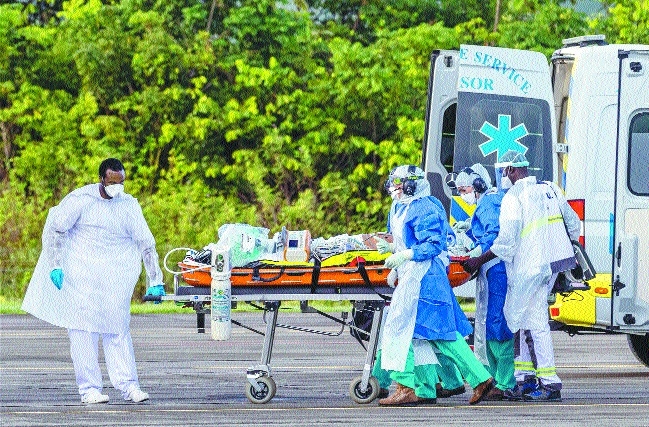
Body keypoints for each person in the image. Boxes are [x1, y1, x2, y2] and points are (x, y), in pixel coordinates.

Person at [22, 158, 166, 404]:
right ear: (101, 179)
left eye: (121, 182)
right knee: (82, 332)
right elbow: (57, 229)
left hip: (114, 280)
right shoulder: (81, 201)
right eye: (112, 182)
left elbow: (146, 242)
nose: (117, 188)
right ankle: (89, 389)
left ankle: (129, 386)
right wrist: (55, 264)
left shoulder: (128, 206)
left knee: (118, 329)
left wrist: (155, 279)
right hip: (82, 278)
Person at [462, 150, 580, 402]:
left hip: (528, 269)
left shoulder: (513, 198)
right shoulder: (550, 188)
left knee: (533, 324)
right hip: (549, 267)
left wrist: (477, 261)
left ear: (509, 171)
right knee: (523, 322)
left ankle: (549, 383)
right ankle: (525, 379)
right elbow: (573, 223)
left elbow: (505, 242)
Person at [376, 165, 494, 406]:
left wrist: (405, 255)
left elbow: (432, 244)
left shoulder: (425, 207)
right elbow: (401, 239)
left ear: (411, 185)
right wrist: (393, 249)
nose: (394, 188)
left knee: (413, 331)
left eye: (399, 184)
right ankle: (426, 387)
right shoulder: (401, 206)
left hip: (425, 277)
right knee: (424, 334)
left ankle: (407, 386)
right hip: (414, 275)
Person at [452, 164, 515, 400]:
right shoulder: (489, 202)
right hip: (493, 268)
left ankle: (504, 381)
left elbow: (494, 234)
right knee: (490, 321)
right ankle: (493, 378)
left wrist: (476, 256)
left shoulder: (488, 203)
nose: (462, 195)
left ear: (478, 185)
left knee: (497, 322)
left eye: (464, 189)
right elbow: (482, 231)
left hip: (495, 268)